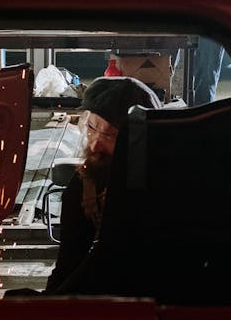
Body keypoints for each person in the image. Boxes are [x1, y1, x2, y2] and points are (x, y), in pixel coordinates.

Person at [45, 76, 160, 293]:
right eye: (91, 128)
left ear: (139, 139)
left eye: (109, 135)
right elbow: (69, 263)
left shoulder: (165, 182)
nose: (96, 143)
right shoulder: (83, 188)